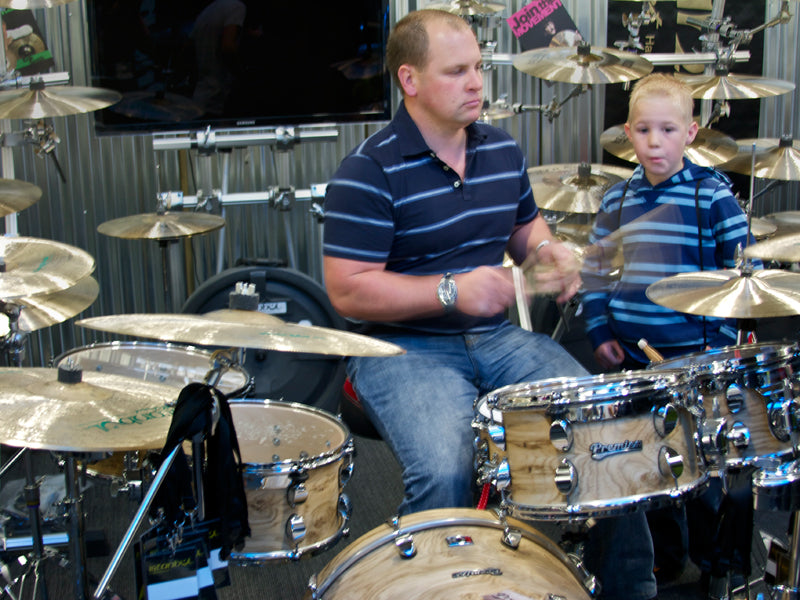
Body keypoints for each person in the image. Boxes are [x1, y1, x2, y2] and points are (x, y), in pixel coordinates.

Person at [323, 9, 657, 600]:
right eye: (457, 71)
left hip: (497, 340)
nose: (478, 82)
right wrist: (450, 289)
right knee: (447, 470)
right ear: (410, 80)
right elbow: (347, 289)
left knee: (608, 427)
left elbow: (525, 227)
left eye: (478, 66)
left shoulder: (501, 150)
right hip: (401, 348)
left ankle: (630, 589)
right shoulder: (367, 171)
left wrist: (550, 251)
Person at [581, 72, 758, 588]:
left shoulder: (713, 196)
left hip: (693, 357)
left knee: (700, 470)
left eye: (667, 130)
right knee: (645, 464)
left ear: (692, 133)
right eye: (642, 130)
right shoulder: (616, 200)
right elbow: (594, 273)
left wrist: (720, 348)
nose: (654, 142)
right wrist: (598, 332)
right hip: (634, 357)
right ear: (628, 133)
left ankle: (711, 565)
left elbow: (743, 277)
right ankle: (665, 557)